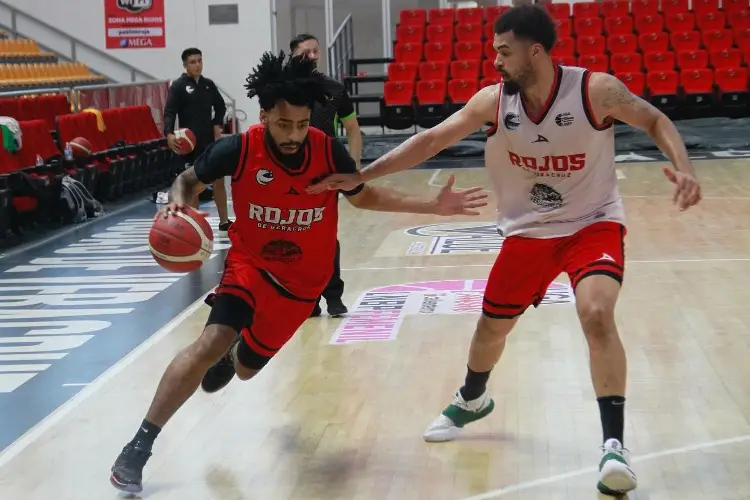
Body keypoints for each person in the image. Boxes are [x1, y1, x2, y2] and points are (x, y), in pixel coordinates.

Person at [307, 5, 701, 496]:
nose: (495, 60)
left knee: (596, 313)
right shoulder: (492, 102)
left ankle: (614, 445)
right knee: (492, 327)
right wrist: (361, 175)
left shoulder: (593, 90)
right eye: (494, 50)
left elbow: (654, 119)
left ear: (534, 51)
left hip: (592, 225)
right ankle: (473, 397)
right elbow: (430, 139)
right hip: (528, 233)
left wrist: (684, 166)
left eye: (503, 51)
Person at [109, 51, 488, 495]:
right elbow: (188, 181)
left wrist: (431, 206)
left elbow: (364, 199)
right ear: (265, 114)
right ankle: (138, 447)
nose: (293, 135)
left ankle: (234, 359)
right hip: (250, 266)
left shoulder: (329, 152)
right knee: (209, 339)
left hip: (302, 285)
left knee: (247, 369)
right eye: (284, 124)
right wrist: (179, 204)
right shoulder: (238, 147)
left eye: (302, 125)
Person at [290, 33, 363, 318]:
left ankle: (333, 296)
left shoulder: (334, 89)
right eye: (305, 52)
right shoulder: (282, 89)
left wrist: (353, 167)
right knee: (296, 236)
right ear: (293, 55)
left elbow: (354, 129)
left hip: (325, 172)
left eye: (315, 51)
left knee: (326, 236)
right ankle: (307, 298)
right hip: (290, 172)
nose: (311, 56)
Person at [164, 47, 233, 231]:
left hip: (209, 141)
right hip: (190, 145)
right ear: (185, 65)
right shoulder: (178, 86)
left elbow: (220, 107)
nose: (197, 65)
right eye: (193, 62)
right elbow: (169, 112)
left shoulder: (208, 85)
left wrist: (217, 124)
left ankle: (224, 221)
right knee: (194, 184)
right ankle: (196, 223)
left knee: (218, 180)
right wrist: (169, 134)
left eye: (199, 61)